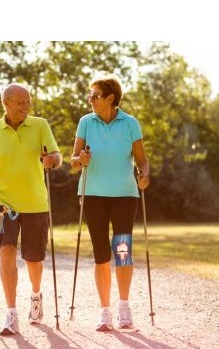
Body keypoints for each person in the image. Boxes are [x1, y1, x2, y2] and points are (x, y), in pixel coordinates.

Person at [0, 83, 62, 336]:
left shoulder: (40, 125)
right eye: (21, 102)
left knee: (34, 259)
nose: (27, 106)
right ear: (7, 104)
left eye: (28, 101)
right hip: (3, 202)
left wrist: (52, 160)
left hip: (35, 202)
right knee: (6, 251)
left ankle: (35, 295)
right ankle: (11, 313)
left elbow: (57, 155)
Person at [70, 73, 150, 331]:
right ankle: (105, 311)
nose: (90, 99)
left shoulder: (130, 123)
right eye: (90, 96)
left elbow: (142, 160)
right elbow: (73, 161)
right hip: (92, 194)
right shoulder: (86, 122)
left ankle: (123, 306)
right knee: (101, 253)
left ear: (111, 98)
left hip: (125, 195)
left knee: (122, 251)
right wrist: (80, 160)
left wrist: (145, 175)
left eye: (95, 96)